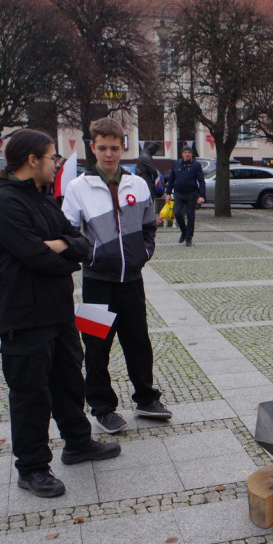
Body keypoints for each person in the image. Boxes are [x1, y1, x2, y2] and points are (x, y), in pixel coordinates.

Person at [0, 129, 121, 498]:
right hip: (24, 317)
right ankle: (31, 468)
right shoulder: (4, 203)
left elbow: (81, 240)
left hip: (58, 312)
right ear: (32, 161)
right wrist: (65, 257)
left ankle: (77, 442)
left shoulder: (43, 199)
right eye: (51, 157)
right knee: (30, 394)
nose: (56, 163)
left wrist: (62, 246)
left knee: (67, 380)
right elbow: (34, 257)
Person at [62, 117, 171, 434]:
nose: (108, 154)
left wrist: (144, 253)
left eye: (114, 147)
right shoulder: (78, 188)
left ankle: (146, 398)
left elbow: (150, 226)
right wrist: (93, 255)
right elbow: (69, 234)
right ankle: (102, 406)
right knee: (96, 347)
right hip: (97, 284)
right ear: (92, 148)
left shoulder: (137, 184)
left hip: (132, 282)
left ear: (123, 147)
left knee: (139, 342)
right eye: (102, 148)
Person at [164, 146, 205, 247]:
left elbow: (201, 181)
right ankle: (184, 231)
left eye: (189, 152)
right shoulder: (176, 164)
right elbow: (171, 180)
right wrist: (168, 193)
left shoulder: (196, 165)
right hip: (178, 193)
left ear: (191, 154)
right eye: (185, 152)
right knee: (177, 213)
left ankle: (188, 238)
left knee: (190, 216)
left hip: (192, 193)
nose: (187, 154)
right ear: (182, 154)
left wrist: (201, 195)